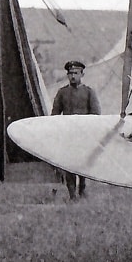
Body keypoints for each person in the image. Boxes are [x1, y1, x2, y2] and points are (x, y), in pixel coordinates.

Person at [51, 60, 99, 200]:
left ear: (82, 74)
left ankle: (82, 189)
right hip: (68, 135)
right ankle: (72, 193)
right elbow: (55, 114)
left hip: (83, 135)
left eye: (76, 73)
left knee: (82, 164)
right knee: (68, 164)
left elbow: (95, 114)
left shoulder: (89, 92)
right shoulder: (62, 93)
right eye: (70, 73)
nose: (72, 76)